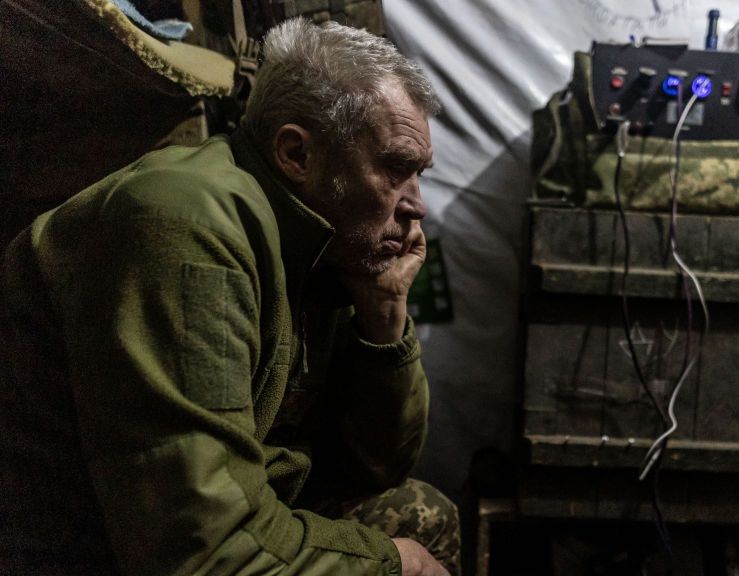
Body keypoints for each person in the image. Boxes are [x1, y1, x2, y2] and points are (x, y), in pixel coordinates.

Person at [0, 18, 458, 576]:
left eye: (420, 176)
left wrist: (384, 317)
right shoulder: (186, 222)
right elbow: (200, 550)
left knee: (420, 512)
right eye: (395, 169)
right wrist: (389, 566)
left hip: (194, 515)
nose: (417, 206)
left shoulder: (331, 246)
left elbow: (371, 471)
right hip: (73, 543)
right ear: (296, 155)